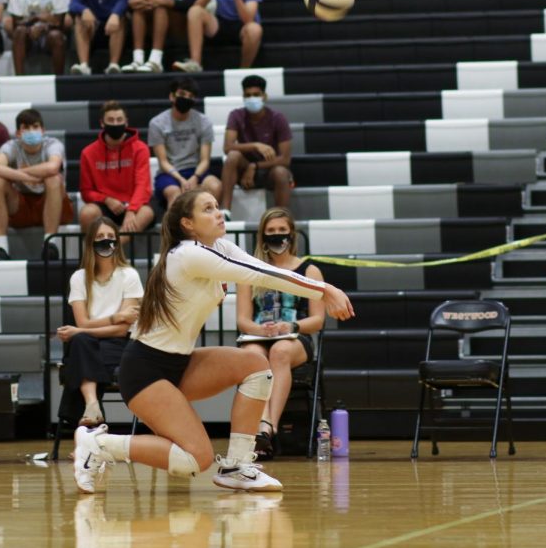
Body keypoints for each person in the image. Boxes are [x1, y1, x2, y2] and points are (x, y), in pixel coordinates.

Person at [71, 189, 354, 494]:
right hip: (145, 371)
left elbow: (263, 269)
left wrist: (321, 290)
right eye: (207, 209)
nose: (218, 213)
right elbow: (261, 275)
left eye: (218, 206)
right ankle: (97, 444)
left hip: (179, 362)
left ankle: (237, 466)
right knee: (197, 458)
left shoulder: (218, 247)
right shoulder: (188, 255)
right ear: (188, 223)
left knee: (256, 366)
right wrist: (325, 290)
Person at [236, 208, 324, 460]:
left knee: (280, 351)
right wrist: (260, 329)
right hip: (258, 335)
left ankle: (267, 426)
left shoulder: (309, 270)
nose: (277, 236)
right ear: (263, 236)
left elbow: (318, 320)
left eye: (282, 231)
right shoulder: (249, 271)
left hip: (296, 338)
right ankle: (264, 429)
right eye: (271, 231)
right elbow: (243, 320)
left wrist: (291, 327)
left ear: (291, 234)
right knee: (253, 357)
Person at [56, 217, 143, 427]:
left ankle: (90, 419)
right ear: (90, 243)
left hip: (118, 346)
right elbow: (83, 322)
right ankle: (92, 405)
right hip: (88, 345)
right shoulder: (79, 277)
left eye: (111, 237)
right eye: (100, 237)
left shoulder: (129, 275)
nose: (106, 241)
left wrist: (80, 331)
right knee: (82, 344)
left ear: (118, 241)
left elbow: (122, 331)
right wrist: (115, 317)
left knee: (79, 351)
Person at [0, 108, 73, 261]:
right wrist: (24, 175)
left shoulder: (53, 144)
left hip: (52, 203)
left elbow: (52, 167)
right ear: (18, 133)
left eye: (35, 127)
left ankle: (50, 245)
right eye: (26, 128)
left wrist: (23, 171)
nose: (31, 131)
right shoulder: (11, 146)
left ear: (42, 130)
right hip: (22, 207)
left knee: (53, 178)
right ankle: (1, 249)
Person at [220, 74, 293, 218]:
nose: (252, 98)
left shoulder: (278, 118)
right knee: (233, 156)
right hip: (243, 169)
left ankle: (281, 218)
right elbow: (227, 147)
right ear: (243, 97)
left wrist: (254, 166)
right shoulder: (236, 115)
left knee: (281, 172)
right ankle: (225, 211)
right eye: (248, 95)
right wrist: (255, 145)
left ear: (264, 96)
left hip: (269, 169)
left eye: (256, 94)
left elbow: (285, 159)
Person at [78, 101, 155, 236]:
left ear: (126, 122)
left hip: (133, 204)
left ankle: (113, 252)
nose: (115, 124)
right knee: (87, 213)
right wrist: (106, 200)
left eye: (119, 120)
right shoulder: (88, 152)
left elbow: (142, 185)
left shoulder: (140, 148)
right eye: (110, 120)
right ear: (102, 123)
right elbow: (86, 191)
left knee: (146, 213)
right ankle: (93, 254)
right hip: (106, 205)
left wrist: (132, 209)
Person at [173, 0, 262, 72]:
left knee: (254, 29)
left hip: (242, 27)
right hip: (220, 23)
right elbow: (195, 8)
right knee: (195, 12)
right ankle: (195, 63)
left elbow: (248, 19)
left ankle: (244, 70)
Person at [148, 76, 220, 209]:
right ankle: (174, 229)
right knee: (175, 195)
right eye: (182, 94)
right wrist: (181, 180)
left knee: (214, 186)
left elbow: (205, 160)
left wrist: (195, 177)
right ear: (172, 96)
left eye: (190, 96)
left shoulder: (204, 121)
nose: (186, 99)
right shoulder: (157, 123)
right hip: (170, 173)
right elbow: (163, 162)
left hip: (196, 169)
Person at [121, 0, 199, 73]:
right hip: (157, 23)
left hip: (182, 23)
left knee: (161, 7)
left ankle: (155, 60)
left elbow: (191, 2)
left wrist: (164, 1)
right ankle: (137, 59)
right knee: (140, 10)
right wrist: (140, 1)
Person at [6, 0, 71, 76]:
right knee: (19, 32)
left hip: (49, 36)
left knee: (56, 36)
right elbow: (16, 23)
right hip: (27, 35)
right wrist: (36, 18)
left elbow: (59, 23)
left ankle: (59, 80)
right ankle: (19, 79)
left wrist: (42, 27)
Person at [68, 0, 129, 75]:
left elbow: (123, 0)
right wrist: (84, 10)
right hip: (93, 29)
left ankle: (113, 65)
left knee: (121, 18)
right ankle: (84, 66)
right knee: (79, 19)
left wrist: (115, 14)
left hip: (113, 30)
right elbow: (73, 4)